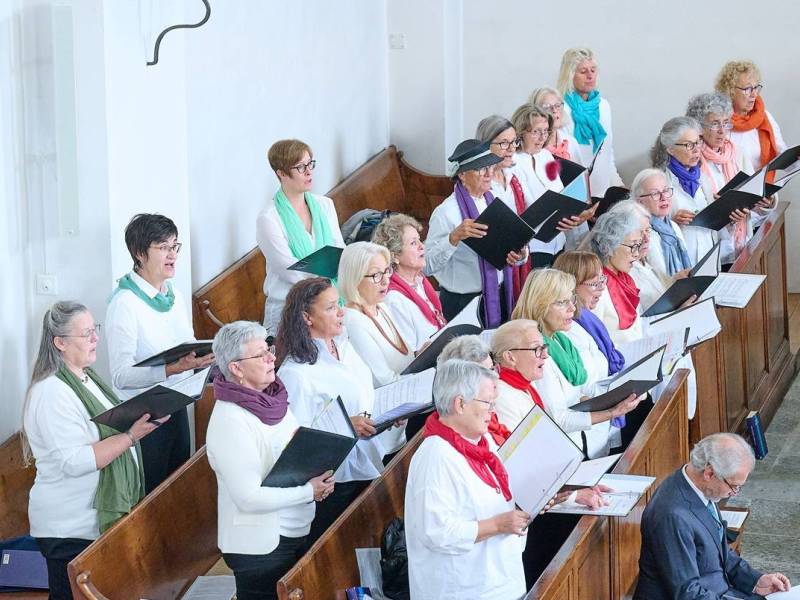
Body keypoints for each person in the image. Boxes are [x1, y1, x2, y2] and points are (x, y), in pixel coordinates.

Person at [23, 301, 161, 599]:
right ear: (60, 342)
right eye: (86, 333)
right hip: (70, 525)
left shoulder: (87, 379)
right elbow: (75, 461)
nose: (96, 338)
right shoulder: (51, 392)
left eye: (94, 330)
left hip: (90, 522)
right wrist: (131, 436)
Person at [206, 321, 334, 600]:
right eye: (259, 355)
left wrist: (319, 472)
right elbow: (248, 498)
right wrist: (307, 491)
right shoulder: (230, 420)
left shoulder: (273, 398)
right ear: (236, 369)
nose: (271, 358)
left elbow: (289, 451)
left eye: (269, 349)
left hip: (292, 530)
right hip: (259, 548)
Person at [277, 277, 402, 544]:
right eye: (331, 307)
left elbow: (364, 398)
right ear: (307, 317)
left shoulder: (344, 347)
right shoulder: (296, 373)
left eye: (340, 304)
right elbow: (296, 439)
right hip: (334, 481)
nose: (341, 312)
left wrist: (390, 413)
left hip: (368, 458)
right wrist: (347, 425)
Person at [106, 213, 214, 493]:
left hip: (175, 404)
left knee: (178, 488)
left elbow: (187, 342)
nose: (172, 255)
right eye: (163, 247)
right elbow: (120, 376)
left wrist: (202, 358)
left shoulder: (172, 295)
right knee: (151, 495)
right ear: (140, 253)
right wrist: (169, 369)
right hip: (142, 417)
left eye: (175, 246)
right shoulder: (125, 304)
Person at [404, 359, 529, 600]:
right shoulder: (436, 456)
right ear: (459, 404)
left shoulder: (483, 443)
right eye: (487, 403)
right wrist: (498, 525)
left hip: (501, 580)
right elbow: (436, 532)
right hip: (464, 590)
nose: (493, 411)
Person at [635, 433, 791, 599]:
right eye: (734, 486)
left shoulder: (699, 486)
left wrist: (755, 580)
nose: (734, 493)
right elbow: (687, 593)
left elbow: (717, 549)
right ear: (709, 473)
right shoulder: (672, 517)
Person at [511, 269, 642, 458]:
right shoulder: (535, 352)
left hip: (584, 443)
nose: (572, 308)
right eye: (562, 302)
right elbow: (559, 418)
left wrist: (615, 398)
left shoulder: (559, 340)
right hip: (563, 453)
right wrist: (612, 412)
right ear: (540, 305)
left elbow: (577, 394)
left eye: (571, 299)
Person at [424, 139, 526, 325]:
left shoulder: (493, 198)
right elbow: (427, 266)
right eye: (481, 169)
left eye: (490, 167)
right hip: (462, 302)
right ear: (462, 174)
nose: (489, 174)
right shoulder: (446, 212)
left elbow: (511, 243)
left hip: (497, 293)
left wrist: (519, 254)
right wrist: (454, 238)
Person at [257, 138, 345, 336]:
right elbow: (292, 271)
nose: (309, 171)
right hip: (288, 309)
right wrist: (330, 265)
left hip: (329, 304)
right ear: (281, 173)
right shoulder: (269, 219)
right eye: (300, 167)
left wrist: (336, 263)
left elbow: (339, 251)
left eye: (310, 164)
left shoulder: (325, 205)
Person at [686, 92, 767, 265]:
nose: (723, 131)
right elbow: (692, 209)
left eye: (726, 123)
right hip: (712, 250)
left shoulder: (737, 153)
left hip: (742, 243)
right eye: (715, 124)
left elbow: (753, 192)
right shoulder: (691, 159)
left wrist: (765, 201)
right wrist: (722, 211)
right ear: (698, 127)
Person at [510, 103, 584, 265]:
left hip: (557, 240)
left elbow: (559, 194)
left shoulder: (546, 156)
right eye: (536, 131)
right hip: (532, 246)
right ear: (520, 132)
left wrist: (570, 215)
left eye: (545, 131)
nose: (543, 137)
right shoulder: (512, 162)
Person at [339, 241, 414, 385]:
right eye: (376, 275)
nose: (386, 281)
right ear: (354, 278)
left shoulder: (381, 306)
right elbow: (385, 382)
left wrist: (421, 354)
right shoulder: (353, 322)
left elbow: (404, 357)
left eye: (386, 271)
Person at [475, 115, 533, 297]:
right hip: (491, 273)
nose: (511, 150)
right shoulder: (481, 185)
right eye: (503, 143)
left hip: (518, 259)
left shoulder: (512, 176)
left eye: (514, 142)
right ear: (485, 145)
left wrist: (523, 251)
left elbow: (525, 220)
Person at [372, 213, 446, 350]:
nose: (422, 246)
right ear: (394, 256)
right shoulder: (394, 300)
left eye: (419, 240)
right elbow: (411, 354)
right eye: (413, 243)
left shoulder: (420, 282)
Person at [556, 47, 624, 196]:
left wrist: (617, 184)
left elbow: (607, 151)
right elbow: (561, 160)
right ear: (570, 75)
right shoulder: (560, 109)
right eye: (583, 71)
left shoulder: (603, 106)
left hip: (603, 190)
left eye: (593, 70)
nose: (590, 76)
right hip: (574, 191)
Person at [651, 116, 715, 264]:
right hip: (679, 260)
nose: (696, 150)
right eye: (688, 145)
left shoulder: (702, 178)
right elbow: (647, 226)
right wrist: (671, 221)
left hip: (708, 254)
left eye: (698, 142)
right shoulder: (658, 181)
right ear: (671, 149)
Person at [587, 205, 647, 344]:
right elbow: (596, 341)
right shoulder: (596, 287)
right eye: (632, 246)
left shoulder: (626, 279)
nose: (637, 254)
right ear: (608, 246)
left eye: (638, 245)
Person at [715, 60, 787, 173]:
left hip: (763, 188)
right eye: (747, 89)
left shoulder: (764, 117)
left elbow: (783, 155)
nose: (754, 94)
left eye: (756, 88)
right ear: (730, 91)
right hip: (729, 188)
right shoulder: (718, 121)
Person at [631, 168, 692, 279]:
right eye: (655, 194)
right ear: (640, 201)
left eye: (665, 191)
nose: (664, 198)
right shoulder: (641, 235)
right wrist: (674, 281)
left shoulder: (673, 226)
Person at [529, 86, 581, 162]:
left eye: (557, 105)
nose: (554, 110)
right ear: (534, 112)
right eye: (547, 107)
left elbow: (581, 173)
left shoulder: (571, 142)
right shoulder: (530, 146)